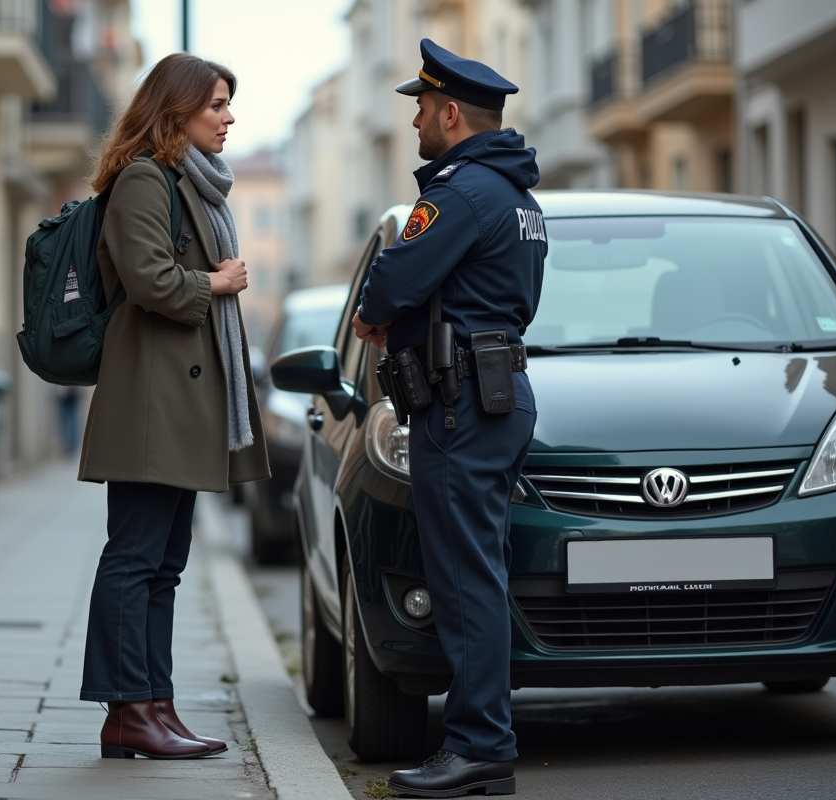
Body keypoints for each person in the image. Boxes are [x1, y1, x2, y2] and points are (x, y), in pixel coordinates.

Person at [351, 39, 546, 797]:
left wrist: (377, 311)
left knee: (464, 581)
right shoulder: (519, 198)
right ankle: (483, 741)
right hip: (495, 395)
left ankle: (478, 746)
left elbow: (395, 275)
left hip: (462, 405)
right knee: (481, 575)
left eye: (424, 109)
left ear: (453, 115)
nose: (416, 123)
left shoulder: (461, 191)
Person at [77, 53, 270, 760]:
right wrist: (216, 283)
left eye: (227, 104)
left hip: (181, 401)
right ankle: (127, 709)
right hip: (151, 401)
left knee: (164, 563)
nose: (228, 117)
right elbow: (149, 278)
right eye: (216, 104)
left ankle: (155, 704)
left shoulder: (192, 181)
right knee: (135, 557)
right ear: (176, 109)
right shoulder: (143, 179)